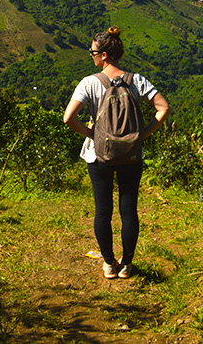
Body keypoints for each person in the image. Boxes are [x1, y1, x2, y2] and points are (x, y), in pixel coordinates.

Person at [63, 25, 170, 280]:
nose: (91, 55)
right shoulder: (137, 81)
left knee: (103, 210)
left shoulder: (90, 83)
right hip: (132, 155)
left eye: (93, 52)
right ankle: (127, 264)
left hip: (99, 156)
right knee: (128, 209)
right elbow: (163, 109)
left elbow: (68, 118)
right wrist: (141, 135)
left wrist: (92, 135)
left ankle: (109, 263)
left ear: (104, 56)